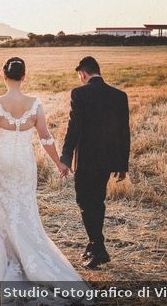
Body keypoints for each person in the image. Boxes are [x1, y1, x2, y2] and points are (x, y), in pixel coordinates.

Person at [0, 57, 90, 300]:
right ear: (24, 77)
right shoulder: (35, 104)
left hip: (0, 163)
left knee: (2, 211)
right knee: (25, 211)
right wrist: (59, 163)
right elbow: (46, 138)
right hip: (25, 165)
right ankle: (30, 260)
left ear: (3, 75)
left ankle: (6, 262)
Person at [59, 56, 131, 269]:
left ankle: (98, 247)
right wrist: (122, 164)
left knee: (83, 201)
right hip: (107, 161)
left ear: (82, 73)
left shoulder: (79, 94)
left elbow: (74, 128)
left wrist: (65, 157)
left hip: (87, 160)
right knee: (97, 202)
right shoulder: (119, 95)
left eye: (79, 76)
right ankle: (95, 244)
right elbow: (123, 132)